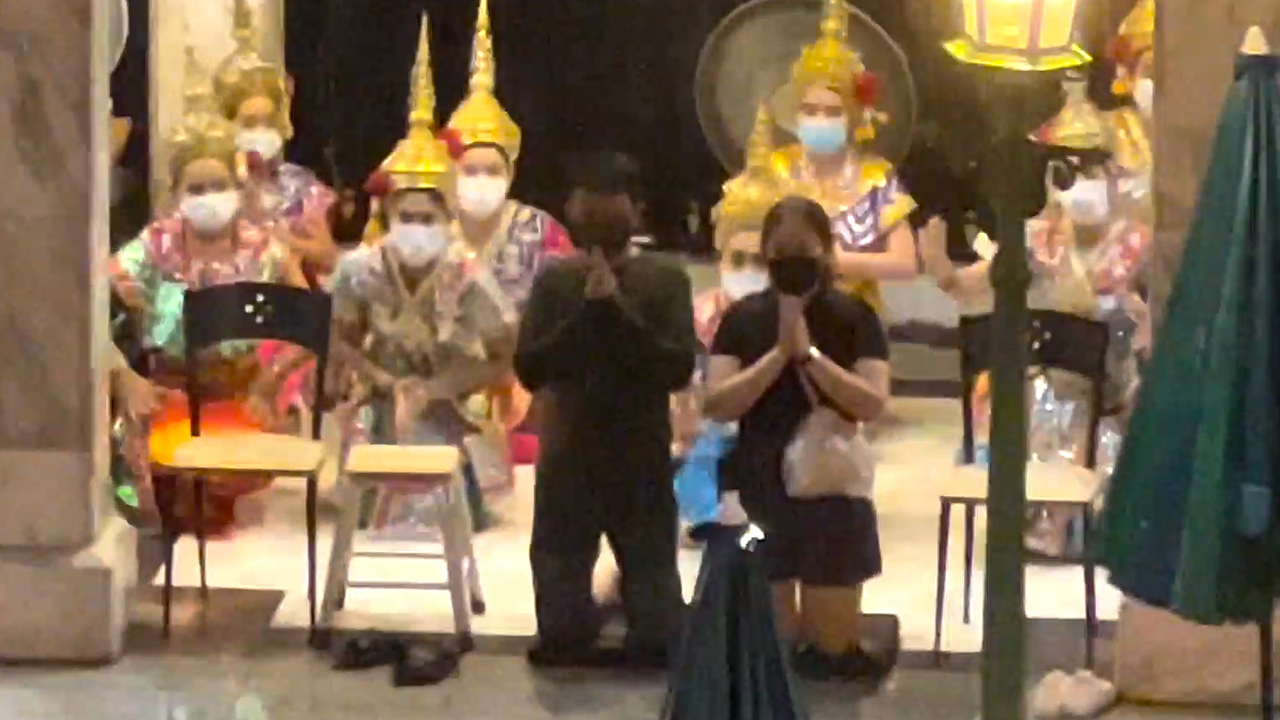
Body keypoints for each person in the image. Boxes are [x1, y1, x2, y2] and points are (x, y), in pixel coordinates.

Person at [326, 14, 516, 534]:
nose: (416, 228)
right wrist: (383, 381)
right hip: (380, 389)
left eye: (427, 219)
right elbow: (339, 340)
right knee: (368, 441)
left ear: (446, 218)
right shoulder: (359, 270)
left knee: (448, 458)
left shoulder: (465, 273)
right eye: (406, 218)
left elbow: (504, 349)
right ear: (388, 218)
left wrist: (440, 386)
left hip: (447, 392)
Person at [109, 56, 309, 534]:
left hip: (242, 398)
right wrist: (124, 377)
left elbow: (314, 321)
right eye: (196, 188)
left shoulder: (264, 248)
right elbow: (92, 305)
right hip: (168, 395)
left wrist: (272, 382)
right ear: (177, 194)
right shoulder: (154, 245)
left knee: (224, 494)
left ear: (237, 188)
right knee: (153, 488)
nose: (208, 196)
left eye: (218, 185)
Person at [516, 151, 698, 667]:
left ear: (636, 210)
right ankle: (580, 620)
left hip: (639, 454)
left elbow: (675, 367)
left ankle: (635, 613)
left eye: (609, 199)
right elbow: (531, 367)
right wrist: (588, 312)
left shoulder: (665, 280)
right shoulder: (555, 281)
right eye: (587, 199)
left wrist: (614, 309)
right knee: (560, 623)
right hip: (568, 453)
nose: (596, 210)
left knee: (657, 625)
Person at [703, 195, 891, 680]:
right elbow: (718, 403)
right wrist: (779, 355)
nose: (791, 261)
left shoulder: (855, 315)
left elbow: (871, 402)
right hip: (759, 483)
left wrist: (809, 356)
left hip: (831, 487)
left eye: (802, 250)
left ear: (825, 251)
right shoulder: (743, 318)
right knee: (772, 648)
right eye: (780, 251)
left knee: (831, 649)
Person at [444, 0, 573, 465]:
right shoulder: (430, 230)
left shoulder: (542, 231)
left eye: (492, 170)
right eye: (469, 170)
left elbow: (565, 318)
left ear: (512, 173)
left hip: (524, 382)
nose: (480, 180)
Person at [768, 0, 917, 314]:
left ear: (853, 119)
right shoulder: (778, 167)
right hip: (784, 312)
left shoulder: (874, 177)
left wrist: (831, 263)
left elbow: (906, 264)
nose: (820, 119)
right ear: (795, 115)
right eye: (810, 111)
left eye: (832, 112)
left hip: (855, 316)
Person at [212, 0, 338, 286]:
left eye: (268, 122)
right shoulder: (213, 187)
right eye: (249, 123)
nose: (260, 132)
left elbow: (328, 257)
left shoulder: (303, 188)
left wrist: (283, 244)